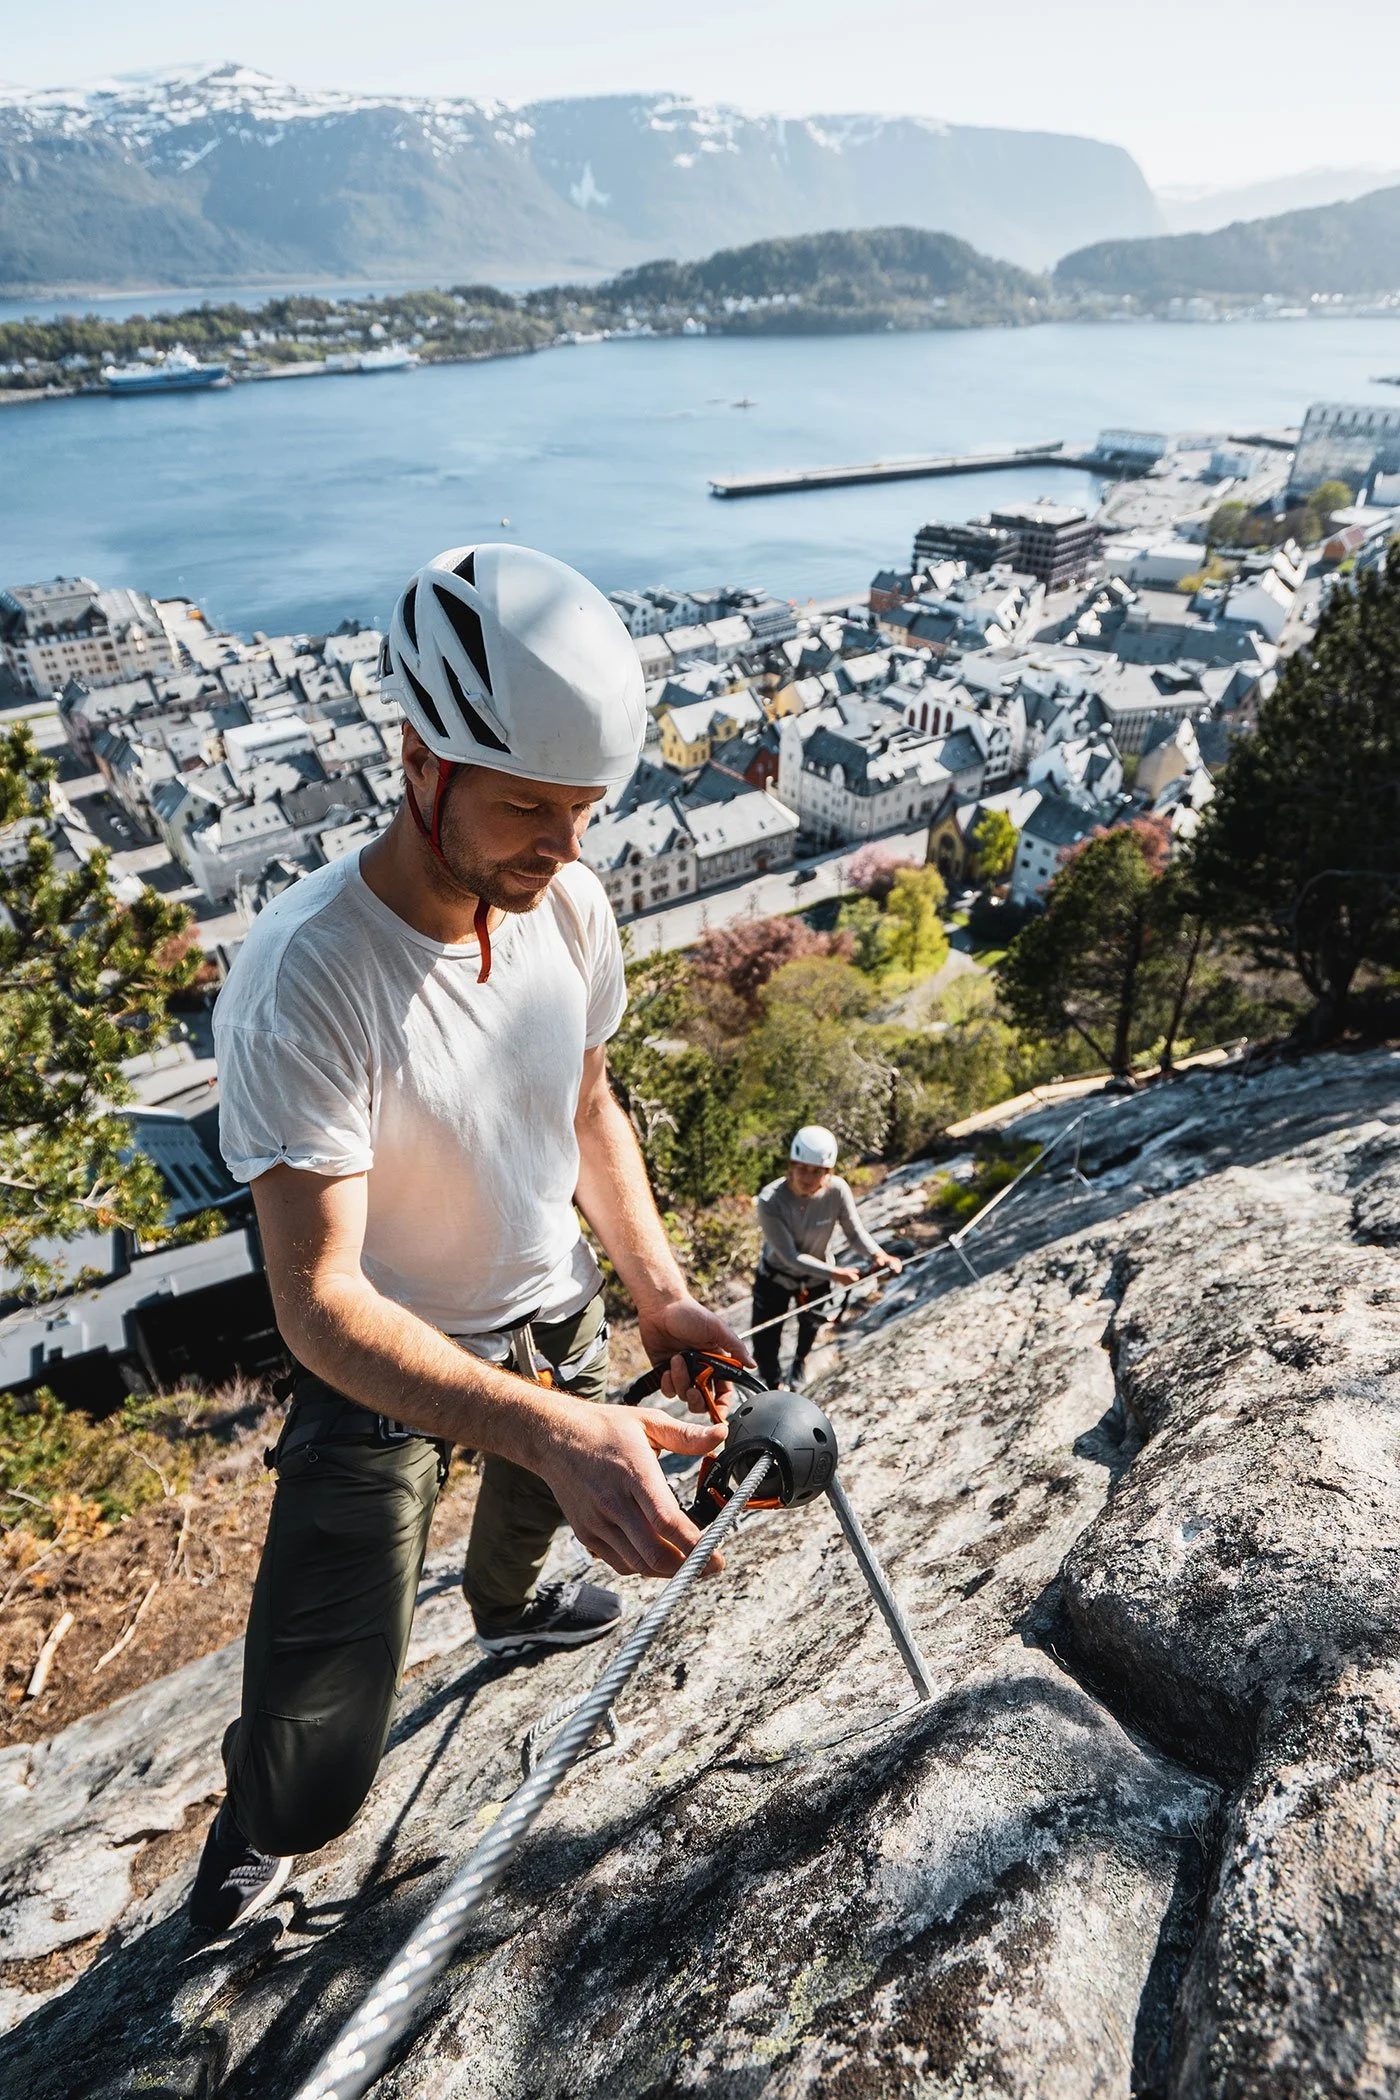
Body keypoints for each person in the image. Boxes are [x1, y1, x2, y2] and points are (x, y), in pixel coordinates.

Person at [188, 543, 749, 1936]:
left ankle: (503, 1612)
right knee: (322, 1738)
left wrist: (659, 1294)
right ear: (418, 761)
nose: (564, 850)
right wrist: (552, 1432)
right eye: (527, 809)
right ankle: (259, 1828)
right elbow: (319, 1303)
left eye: (584, 811)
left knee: (516, 1537)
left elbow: (586, 1103)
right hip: (386, 1374)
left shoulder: (567, 900)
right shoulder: (307, 978)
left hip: (544, 1316)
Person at [751, 1126, 902, 1388]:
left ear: (828, 1172)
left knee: (810, 1327)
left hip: (814, 1277)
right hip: (776, 1277)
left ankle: (800, 1362)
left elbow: (855, 1233)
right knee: (766, 1340)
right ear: (792, 1164)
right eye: (803, 1168)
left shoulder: (837, 1191)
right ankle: (773, 1384)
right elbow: (789, 1256)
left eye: (817, 1171)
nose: (808, 1176)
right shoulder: (770, 1200)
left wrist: (879, 1255)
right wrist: (835, 1274)